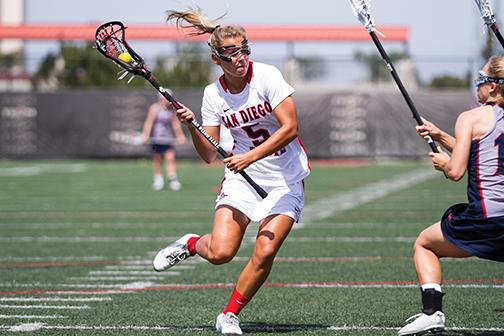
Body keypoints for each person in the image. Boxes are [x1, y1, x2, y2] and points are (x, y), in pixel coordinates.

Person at [152, 7, 310, 335]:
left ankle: (229, 315)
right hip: (242, 180)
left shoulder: (266, 76)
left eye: (243, 50)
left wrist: (250, 156)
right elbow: (209, 154)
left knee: (265, 250)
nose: (239, 58)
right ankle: (191, 244)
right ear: (216, 59)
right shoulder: (213, 94)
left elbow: (291, 127)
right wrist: (193, 125)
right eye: (231, 53)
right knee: (222, 252)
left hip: (285, 178)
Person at [398, 56, 504, 336]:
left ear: (493, 87)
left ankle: (432, 313)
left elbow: (457, 170)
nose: (476, 86)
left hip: (487, 216)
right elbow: (484, 153)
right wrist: (440, 134)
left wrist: (444, 164)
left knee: (424, 244)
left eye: (480, 80)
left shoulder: (470, 117)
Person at [142, 93, 187, 191]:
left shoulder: (171, 110)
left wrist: (180, 136)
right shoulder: (154, 108)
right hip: (156, 138)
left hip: (167, 138)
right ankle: (158, 180)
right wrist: (146, 135)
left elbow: (175, 124)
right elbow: (149, 122)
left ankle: (172, 179)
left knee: (170, 158)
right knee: (157, 159)